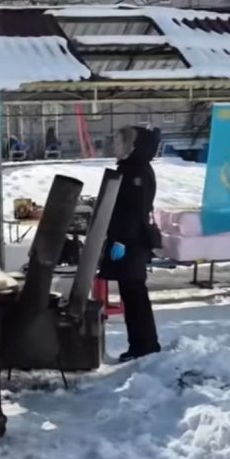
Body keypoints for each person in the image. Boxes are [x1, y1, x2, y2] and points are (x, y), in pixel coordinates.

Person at [100, 125, 161, 362]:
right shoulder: (130, 169)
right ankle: (139, 344)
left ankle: (145, 346)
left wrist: (121, 240)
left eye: (118, 142)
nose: (114, 147)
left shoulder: (138, 172)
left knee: (135, 296)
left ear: (131, 145)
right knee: (131, 295)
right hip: (128, 242)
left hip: (132, 243)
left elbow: (134, 210)